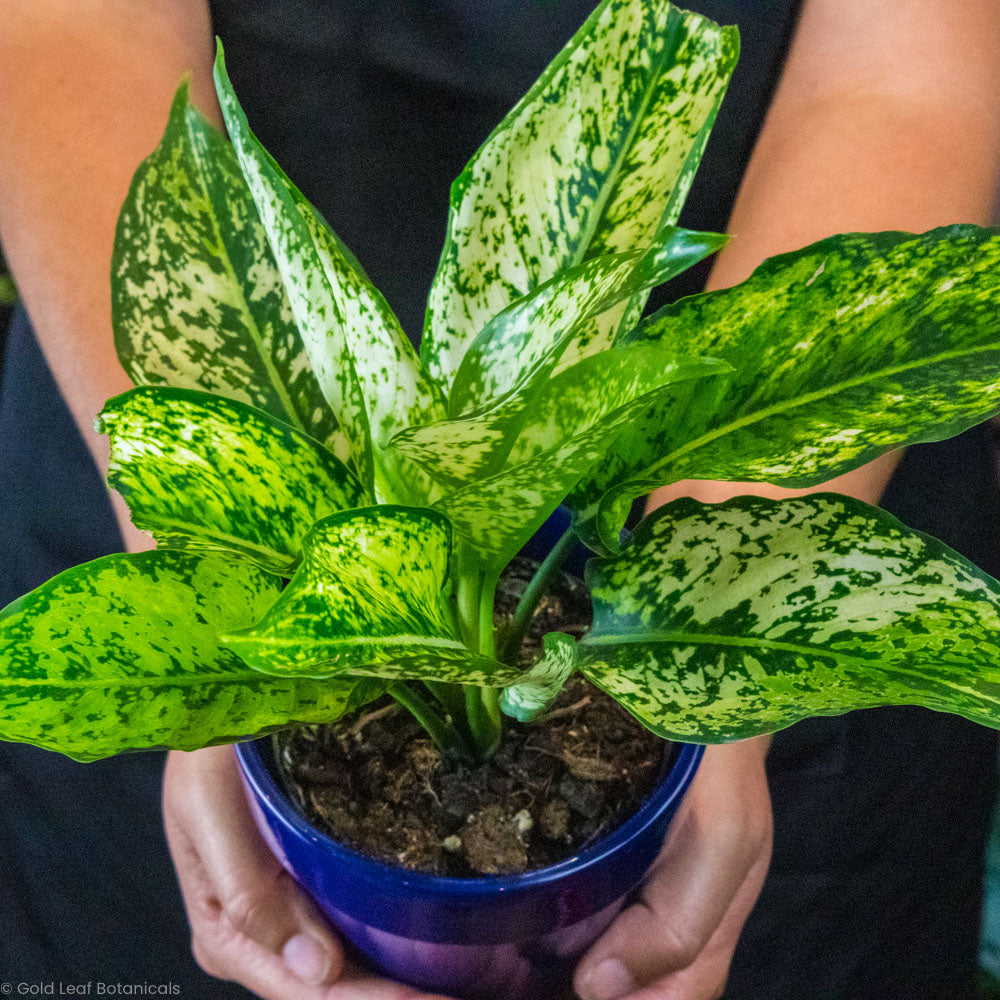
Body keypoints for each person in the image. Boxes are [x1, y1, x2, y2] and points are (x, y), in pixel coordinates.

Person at [2, 2, 1000, 998]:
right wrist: (220, 558)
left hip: (743, 386)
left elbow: (907, 63)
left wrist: (715, 724)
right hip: (168, 393)